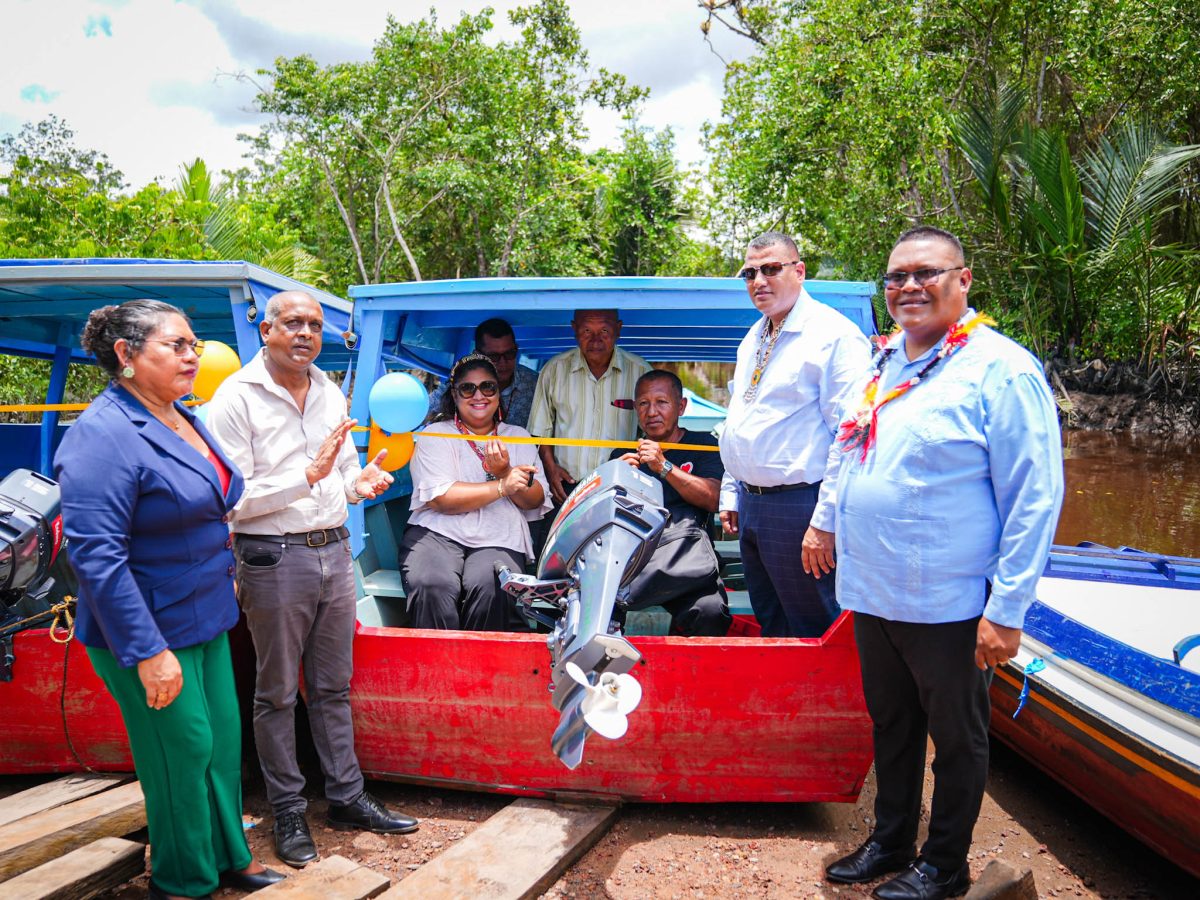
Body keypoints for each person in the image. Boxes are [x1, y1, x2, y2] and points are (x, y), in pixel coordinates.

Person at [824, 227, 1063, 899]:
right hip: (873, 592)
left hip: (951, 602)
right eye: (896, 276)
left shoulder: (1002, 369)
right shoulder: (883, 362)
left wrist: (1006, 611)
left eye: (926, 273)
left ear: (963, 280)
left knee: (957, 740)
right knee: (892, 724)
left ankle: (945, 864)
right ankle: (892, 839)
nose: (908, 287)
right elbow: (850, 453)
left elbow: (1035, 498)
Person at [55, 301, 284, 899]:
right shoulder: (102, 436)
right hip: (148, 629)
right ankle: (183, 881)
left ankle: (228, 857)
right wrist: (147, 651)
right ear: (127, 356)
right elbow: (96, 559)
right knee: (179, 755)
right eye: (176, 345)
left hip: (205, 616)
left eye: (194, 343)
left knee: (220, 747)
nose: (193, 356)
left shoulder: (179, 414)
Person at [205, 291, 418, 870]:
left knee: (333, 686)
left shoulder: (327, 388)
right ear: (266, 330)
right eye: (293, 323)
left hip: (334, 549)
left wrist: (361, 480)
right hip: (273, 556)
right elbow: (231, 501)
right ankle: (288, 809)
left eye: (315, 325)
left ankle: (346, 797)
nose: (305, 333)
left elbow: (343, 468)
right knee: (275, 692)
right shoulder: (234, 397)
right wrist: (308, 476)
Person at [718, 232, 870, 637]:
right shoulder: (755, 335)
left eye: (771, 269)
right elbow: (741, 415)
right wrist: (732, 492)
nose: (759, 281)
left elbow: (852, 438)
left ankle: (829, 702)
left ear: (799, 271)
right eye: (750, 273)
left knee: (814, 626)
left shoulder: (833, 336)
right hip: (753, 507)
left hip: (801, 506)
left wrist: (825, 523)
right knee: (772, 621)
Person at [399, 353, 551, 630]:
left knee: (491, 586)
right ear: (454, 395)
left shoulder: (518, 436)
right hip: (438, 531)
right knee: (432, 584)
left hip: (499, 533)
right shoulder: (435, 434)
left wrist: (505, 471)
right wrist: (504, 485)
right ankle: (437, 664)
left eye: (488, 387)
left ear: (498, 393)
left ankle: (477, 667)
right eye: (468, 388)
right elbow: (442, 499)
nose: (478, 395)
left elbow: (535, 499)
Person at [608, 370, 730, 636]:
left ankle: (693, 676)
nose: (652, 412)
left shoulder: (704, 444)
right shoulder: (622, 454)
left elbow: (714, 499)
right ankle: (611, 675)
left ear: (681, 406)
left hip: (686, 561)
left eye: (662, 402)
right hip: (631, 565)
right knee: (597, 610)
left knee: (709, 611)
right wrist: (612, 479)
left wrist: (664, 467)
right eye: (643, 403)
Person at [527, 309, 651, 504]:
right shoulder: (554, 369)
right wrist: (551, 471)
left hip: (621, 485)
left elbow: (652, 435)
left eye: (604, 331)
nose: (595, 340)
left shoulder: (641, 372)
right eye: (586, 331)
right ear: (574, 329)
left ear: (618, 330)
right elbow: (540, 431)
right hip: (565, 485)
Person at [427, 318, 539, 429]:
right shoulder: (462, 381)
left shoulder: (535, 384)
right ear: (477, 355)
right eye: (494, 356)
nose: (503, 362)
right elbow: (426, 411)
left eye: (510, 354)